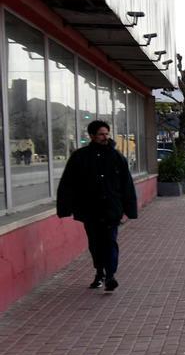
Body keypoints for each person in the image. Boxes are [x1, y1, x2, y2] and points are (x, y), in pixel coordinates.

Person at [56, 120, 139, 292]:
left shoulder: (117, 158)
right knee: (95, 244)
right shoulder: (80, 157)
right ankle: (99, 271)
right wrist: (65, 207)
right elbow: (68, 183)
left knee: (110, 242)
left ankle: (110, 276)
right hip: (90, 209)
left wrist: (129, 209)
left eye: (107, 134)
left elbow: (127, 185)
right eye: (101, 134)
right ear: (92, 136)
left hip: (111, 208)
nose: (105, 137)